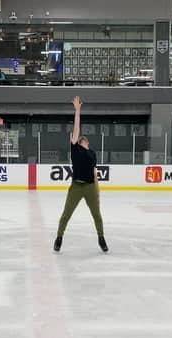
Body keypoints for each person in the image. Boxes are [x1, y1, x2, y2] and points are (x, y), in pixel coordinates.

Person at [54, 96, 108, 253]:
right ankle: (59, 238)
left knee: (97, 215)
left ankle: (101, 238)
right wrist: (77, 111)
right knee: (66, 214)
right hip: (76, 186)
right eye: (78, 138)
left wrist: (97, 192)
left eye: (84, 140)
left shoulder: (92, 153)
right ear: (77, 141)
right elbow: (76, 129)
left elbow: (94, 173)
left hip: (90, 187)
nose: (83, 140)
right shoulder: (75, 149)